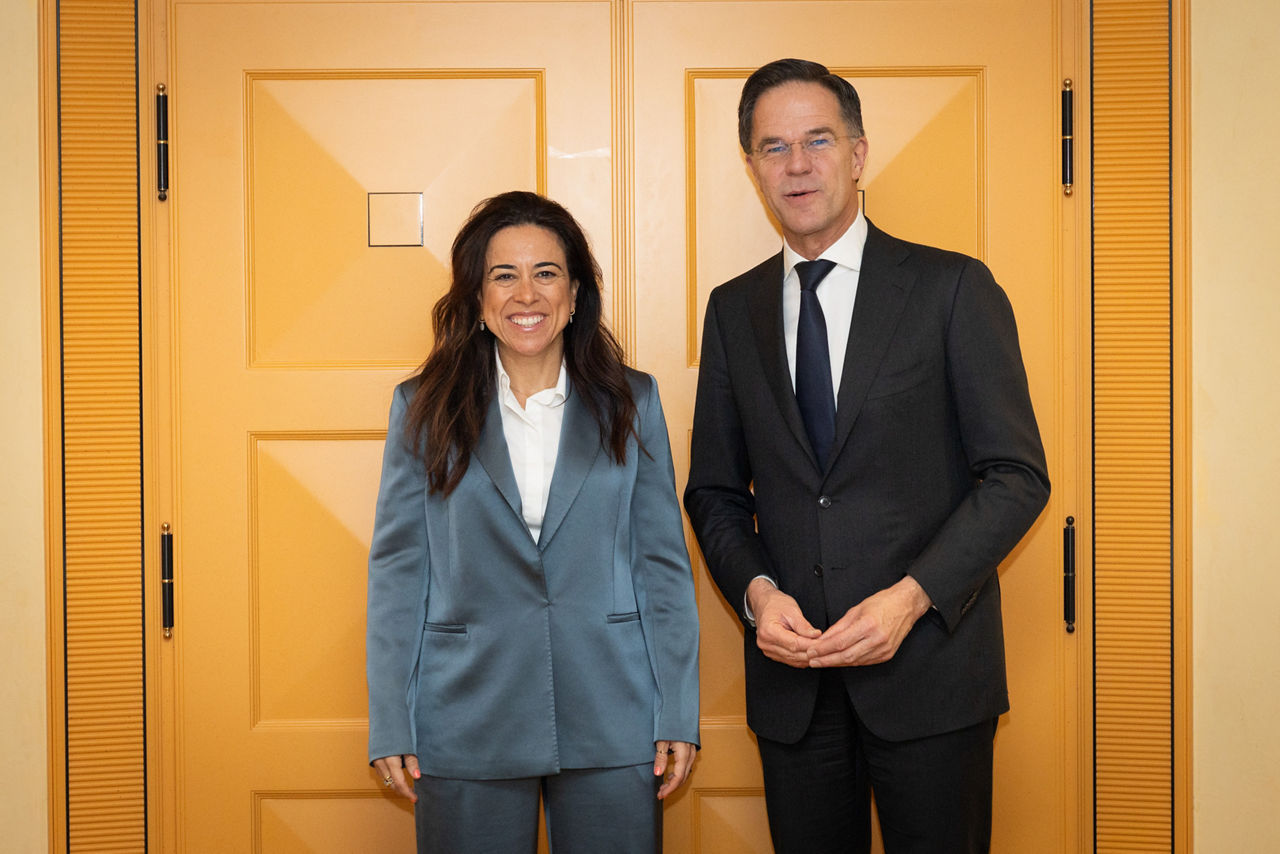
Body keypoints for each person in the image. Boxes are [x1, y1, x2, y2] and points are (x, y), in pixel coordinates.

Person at [683, 59, 1050, 854]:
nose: (798, 164)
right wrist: (754, 595)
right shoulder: (731, 309)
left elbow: (1016, 476)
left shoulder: (953, 288)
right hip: (793, 689)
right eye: (773, 147)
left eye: (818, 139)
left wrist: (911, 599)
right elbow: (713, 491)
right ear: (752, 168)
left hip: (932, 680)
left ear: (858, 154)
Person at [367, 190, 699, 853]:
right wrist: (391, 722)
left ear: (575, 293)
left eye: (546, 272)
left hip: (613, 708)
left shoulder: (633, 402)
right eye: (504, 274)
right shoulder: (423, 408)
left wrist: (677, 710)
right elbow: (400, 574)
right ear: (477, 299)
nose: (528, 294)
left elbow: (660, 562)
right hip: (466, 713)